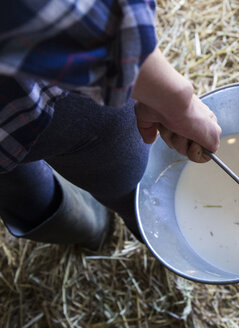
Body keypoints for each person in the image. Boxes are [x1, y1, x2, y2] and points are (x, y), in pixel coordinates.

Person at [0, 0, 221, 250]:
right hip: (26, 88)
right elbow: (67, 15)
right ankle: (97, 227)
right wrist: (177, 101)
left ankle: (86, 228)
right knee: (118, 146)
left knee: (12, 181)